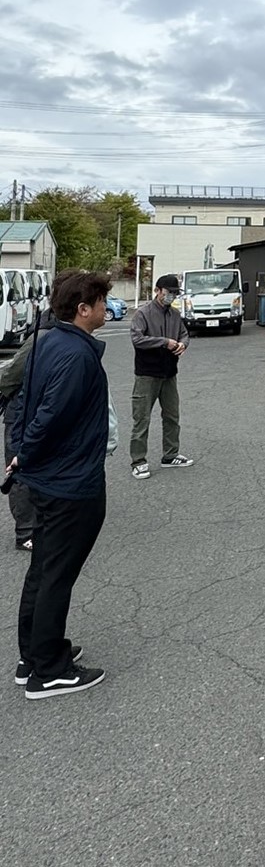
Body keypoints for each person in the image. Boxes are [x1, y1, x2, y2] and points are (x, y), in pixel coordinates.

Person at [6, 271, 115, 698]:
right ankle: (49, 670)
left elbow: (26, 402)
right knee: (56, 574)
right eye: (102, 303)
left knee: (43, 569)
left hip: (49, 478)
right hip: (70, 482)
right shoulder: (76, 354)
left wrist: (22, 454)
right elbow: (49, 414)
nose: (107, 309)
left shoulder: (48, 341)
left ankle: (33, 654)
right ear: (82, 310)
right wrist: (25, 453)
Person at [1, 269, 77, 550]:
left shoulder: (58, 333)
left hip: (42, 413)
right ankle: (25, 533)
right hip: (22, 413)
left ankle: (40, 526)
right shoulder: (44, 335)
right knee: (20, 472)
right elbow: (10, 376)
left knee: (42, 470)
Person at [129, 274, 193, 480]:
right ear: (158, 290)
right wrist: (164, 342)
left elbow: (184, 334)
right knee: (142, 418)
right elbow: (137, 339)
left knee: (172, 415)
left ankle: (170, 454)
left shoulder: (174, 314)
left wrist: (183, 344)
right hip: (147, 374)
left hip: (169, 373)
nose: (171, 296)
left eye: (175, 293)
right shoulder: (143, 313)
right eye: (169, 292)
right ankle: (138, 460)